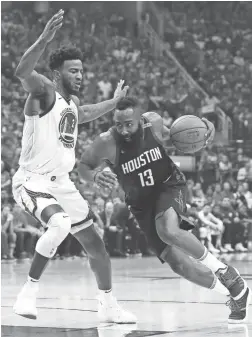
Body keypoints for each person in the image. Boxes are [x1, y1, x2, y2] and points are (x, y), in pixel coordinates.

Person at [78, 96, 251, 324]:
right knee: (180, 266)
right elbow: (83, 166)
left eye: (129, 123)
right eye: (119, 125)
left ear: (140, 118)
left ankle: (225, 271)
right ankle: (235, 293)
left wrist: (201, 133)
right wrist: (95, 176)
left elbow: (175, 138)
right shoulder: (106, 142)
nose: (124, 130)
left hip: (168, 185)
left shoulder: (154, 123)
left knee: (167, 230)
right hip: (141, 204)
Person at [12, 10, 136, 323]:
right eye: (73, 71)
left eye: (81, 70)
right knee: (60, 225)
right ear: (57, 73)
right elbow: (21, 71)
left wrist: (115, 101)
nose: (80, 75)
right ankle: (28, 292)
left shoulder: (72, 104)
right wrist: (43, 39)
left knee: (96, 244)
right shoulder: (44, 92)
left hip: (61, 183)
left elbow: (88, 111)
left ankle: (108, 305)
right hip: (32, 181)